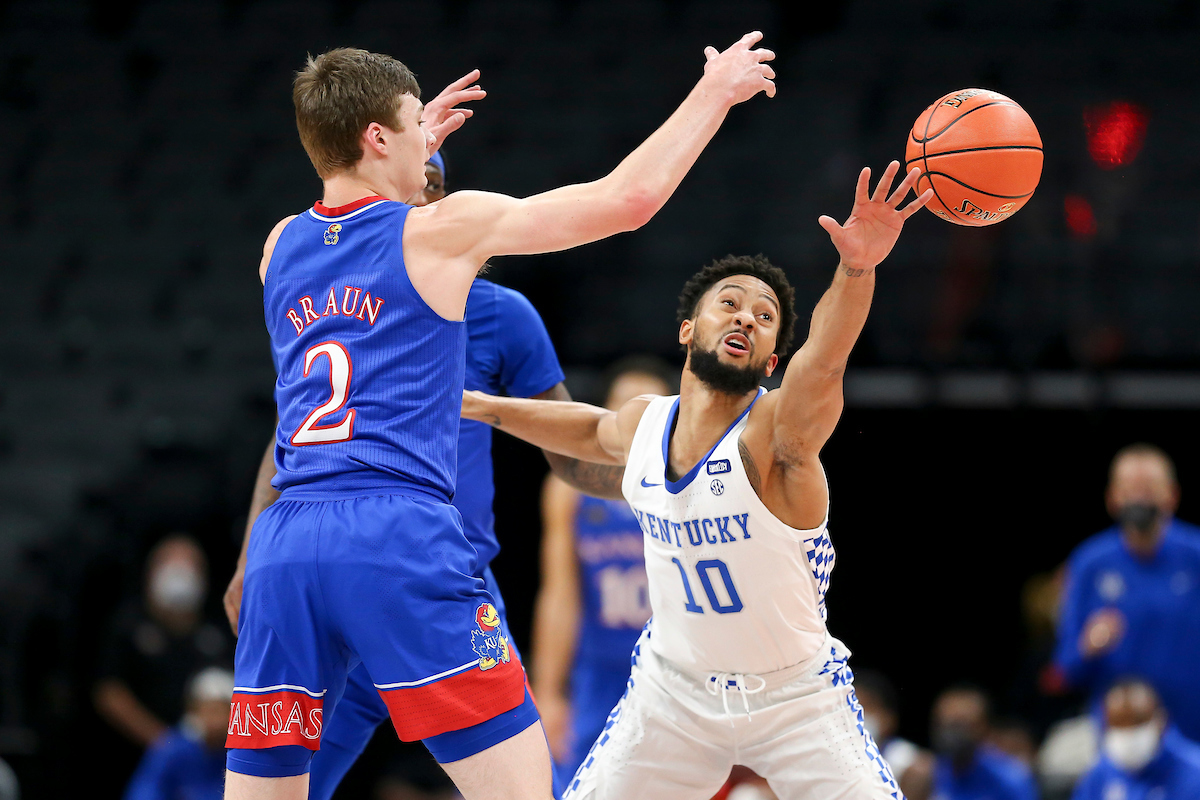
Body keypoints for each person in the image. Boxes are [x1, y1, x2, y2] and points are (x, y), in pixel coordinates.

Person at [224, 38, 776, 800]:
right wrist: (715, 91)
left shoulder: (278, 246)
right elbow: (628, 200)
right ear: (378, 137)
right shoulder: (443, 228)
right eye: (416, 120)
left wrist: (402, 154)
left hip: (286, 546)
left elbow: (343, 213)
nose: (430, 133)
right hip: (394, 537)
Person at [461, 162, 934, 798]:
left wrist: (857, 269)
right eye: (729, 305)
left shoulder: (774, 437)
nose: (745, 317)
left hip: (794, 699)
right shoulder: (645, 425)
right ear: (689, 330)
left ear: (770, 361)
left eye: (764, 316)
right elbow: (584, 429)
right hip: (673, 694)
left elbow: (822, 365)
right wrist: (478, 405)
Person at [224, 149, 623, 800]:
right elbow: (290, 441)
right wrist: (247, 556)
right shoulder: (356, 293)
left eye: (435, 188)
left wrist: (652, 476)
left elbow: (570, 457)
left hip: (427, 565)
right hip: (401, 555)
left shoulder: (498, 312)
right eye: (413, 183)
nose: (423, 201)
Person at [532, 356, 674, 788]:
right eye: (623, 407)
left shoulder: (691, 481)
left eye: (646, 409)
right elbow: (560, 595)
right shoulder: (568, 488)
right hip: (599, 671)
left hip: (673, 670)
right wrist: (550, 691)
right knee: (581, 784)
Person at [1053, 444, 1200, 740]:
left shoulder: (1196, 555)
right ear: (1112, 498)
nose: (1139, 499)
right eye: (1130, 489)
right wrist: (1089, 646)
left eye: (1148, 489)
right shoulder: (1089, 563)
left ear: (1171, 495)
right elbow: (1065, 667)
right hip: (1119, 741)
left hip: (1192, 737)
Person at [96, 534, 230, 749]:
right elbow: (109, 691)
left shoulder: (218, 631)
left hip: (208, 754)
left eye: (189, 564)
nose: (179, 573)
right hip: (136, 753)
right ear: (150, 573)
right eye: (169, 563)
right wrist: (164, 742)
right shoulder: (128, 625)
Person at [1071, 678, 1200, 800]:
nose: (1129, 734)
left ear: (1161, 721)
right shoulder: (1101, 773)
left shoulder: (1193, 774)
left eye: (1137, 723)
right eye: (1119, 724)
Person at [123, 668, 234, 800]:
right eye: (209, 711)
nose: (216, 721)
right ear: (194, 711)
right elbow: (144, 791)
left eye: (221, 711)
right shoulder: (170, 748)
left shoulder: (238, 752)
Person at [929, 685, 1037, 800]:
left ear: (982, 726)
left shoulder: (1011, 778)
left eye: (958, 725)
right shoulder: (929, 772)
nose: (948, 734)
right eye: (943, 724)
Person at [855, 670, 932, 799]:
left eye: (867, 706)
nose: (858, 715)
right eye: (855, 707)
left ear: (889, 719)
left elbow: (925, 765)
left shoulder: (904, 759)